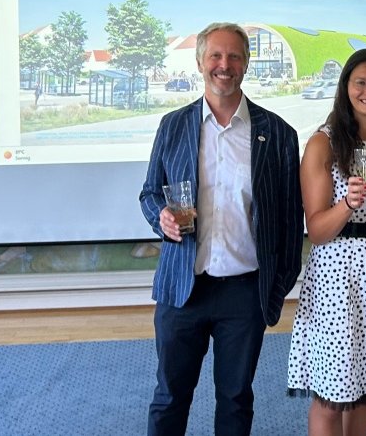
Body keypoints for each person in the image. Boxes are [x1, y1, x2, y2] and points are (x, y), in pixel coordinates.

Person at [139, 22, 304, 436]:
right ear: (199, 62)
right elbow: (148, 194)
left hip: (244, 293)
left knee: (235, 400)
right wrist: (160, 216)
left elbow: (289, 220)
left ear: (247, 65)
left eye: (234, 57)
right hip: (183, 288)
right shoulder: (173, 126)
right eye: (215, 56)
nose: (224, 65)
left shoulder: (278, 134)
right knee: (170, 397)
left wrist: (275, 287)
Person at [287, 48, 366, 436]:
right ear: (345, 89)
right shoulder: (323, 144)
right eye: (360, 82)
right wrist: (348, 203)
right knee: (330, 395)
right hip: (338, 283)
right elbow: (319, 231)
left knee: (365, 390)